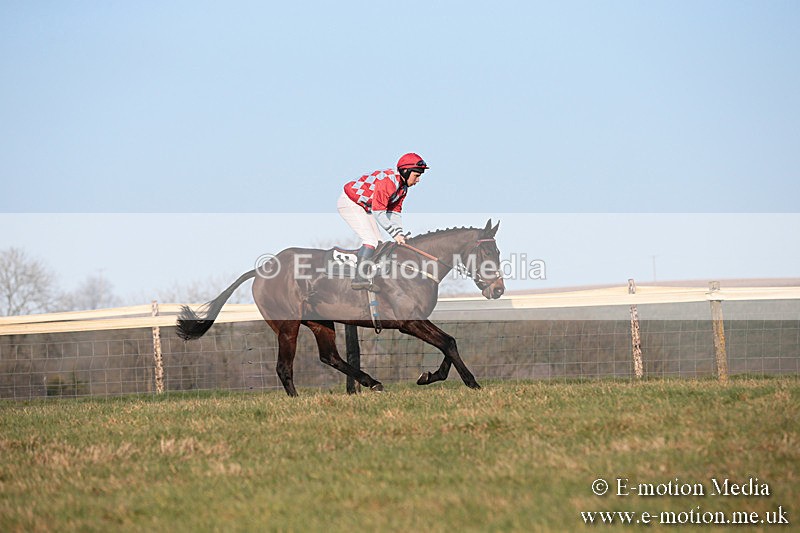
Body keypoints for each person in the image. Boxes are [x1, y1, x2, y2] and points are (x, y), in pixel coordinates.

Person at [337, 152, 428, 290]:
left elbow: (394, 212)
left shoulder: (402, 189)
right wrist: (395, 234)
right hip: (350, 202)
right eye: (416, 176)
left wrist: (400, 234)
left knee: (379, 243)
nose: (418, 180)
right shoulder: (388, 183)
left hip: (364, 206)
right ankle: (358, 279)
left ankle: (370, 274)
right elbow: (379, 212)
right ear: (406, 171)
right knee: (370, 241)